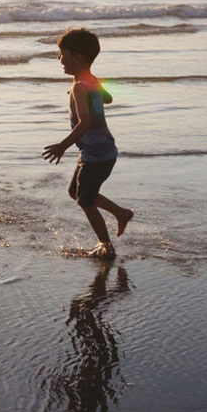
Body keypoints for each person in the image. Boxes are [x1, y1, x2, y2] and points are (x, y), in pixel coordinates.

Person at [41, 27, 133, 257]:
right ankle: (121, 213)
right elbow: (109, 98)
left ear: (78, 57)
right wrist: (95, 90)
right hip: (103, 151)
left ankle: (106, 245)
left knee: (85, 200)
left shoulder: (79, 87)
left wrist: (62, 146)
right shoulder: (89, 81)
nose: (59, 59)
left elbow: (85, 124)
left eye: (62, 54)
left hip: (96, 154)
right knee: (76, 192)